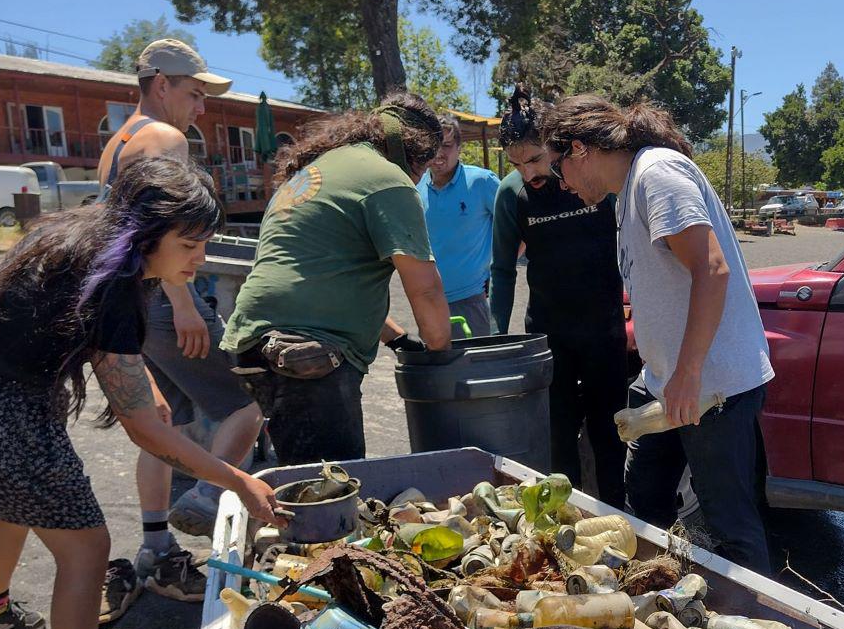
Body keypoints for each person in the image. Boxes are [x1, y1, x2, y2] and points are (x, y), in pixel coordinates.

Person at [0, 158, 283, 629]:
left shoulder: (73, 240)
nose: (200, 257)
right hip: (6, 414)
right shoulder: (116, 285)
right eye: (189, 243)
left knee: (14, 504)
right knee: (87, 547)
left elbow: (111, 363)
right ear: (147, 233)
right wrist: (235, 481)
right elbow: (141, 426)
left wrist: (152, 403)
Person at [541, 95, 774, 574]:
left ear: (580, 148)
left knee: (730, 524)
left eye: (558, 166)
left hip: (713, 388)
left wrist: (687, 371)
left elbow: (711, 269)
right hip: (666, 384)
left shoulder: (657, 174)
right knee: (644, 497)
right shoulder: (628, 192)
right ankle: (662, 601)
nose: (561, 183)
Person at [97, 39, 263, 605]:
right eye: (193, 94)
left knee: (160, 423)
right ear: (160, 84)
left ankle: (155, 547)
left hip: (136, 307)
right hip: (168, 302)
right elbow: (164, 227)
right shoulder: (165, 138)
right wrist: (186, 303)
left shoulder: (116, 141)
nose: (200, 110)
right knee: (249, 399)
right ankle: (213, 499)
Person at [221, 92, 452, 464]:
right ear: (414, 150)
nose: (421, 177)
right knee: (331, 492)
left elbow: (329, 278)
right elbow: (425, 289)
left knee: (303, 476)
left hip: (253, 338)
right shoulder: (388, 178)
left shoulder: (322, 169)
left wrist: (398, 340)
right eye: (424, 168)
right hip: (308, 349)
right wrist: (441, 356)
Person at [490, 86, 628, 508]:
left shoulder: (590, 177)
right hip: (551, 335)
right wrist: (499, 338)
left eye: (534, 159)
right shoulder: (512, 194)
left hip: (605, 330)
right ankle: (564, 523)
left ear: (553, 144)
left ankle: (619, 519)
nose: (528, 172)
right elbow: (501, 271)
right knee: (558, 437)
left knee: (611, 434)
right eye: (516, 164)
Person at [416, 115, 499, 336]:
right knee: (437, 370)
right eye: (433, 146)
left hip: (471, 301)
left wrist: (499, 268)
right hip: (430, 302)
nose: (438, 153)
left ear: (459, 148)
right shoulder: (415, 189)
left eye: (446, 146)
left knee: (476, 368)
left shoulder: (482, 182)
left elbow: (517, 228)